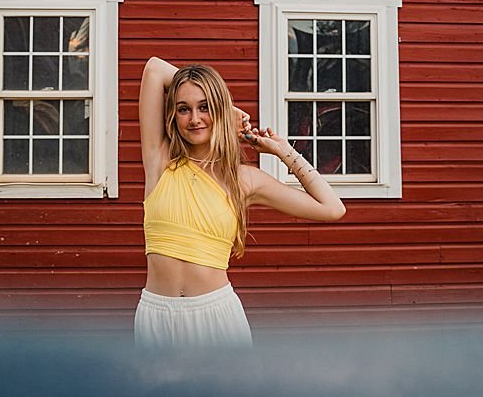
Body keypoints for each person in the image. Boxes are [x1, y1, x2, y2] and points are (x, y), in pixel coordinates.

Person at [136, 57, 346, 348]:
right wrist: (226, 105)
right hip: (157, 317)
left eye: (205, 107)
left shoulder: (245, 180)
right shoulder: (159, 162)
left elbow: (332, 208)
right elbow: (154, 69)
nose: (194, 118)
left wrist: (283, 151)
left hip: (216, 316)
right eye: (184, 109)